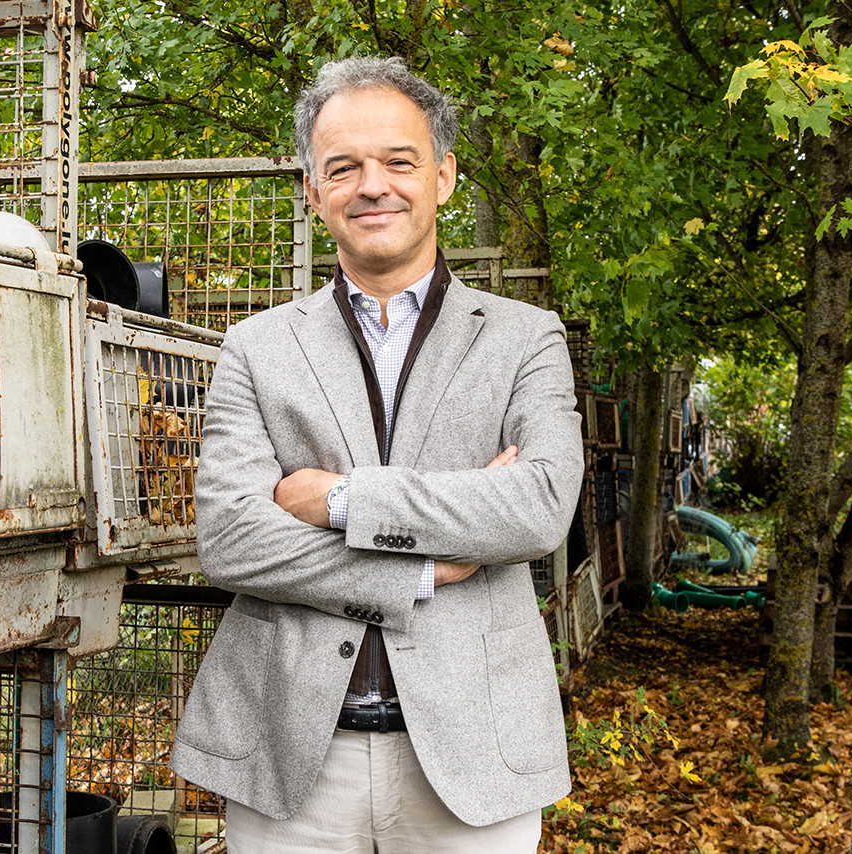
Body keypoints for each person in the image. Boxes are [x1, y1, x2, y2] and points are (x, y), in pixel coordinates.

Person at [170, 55, 584, 853]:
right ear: (311, 189)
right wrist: (427, 567)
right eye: (343, 167)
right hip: (293, 754)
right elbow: (230, 540)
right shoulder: (255, 349)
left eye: (399, 161)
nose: (373, 185)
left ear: (444, 175)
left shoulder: (525, 338)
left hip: (473, 758)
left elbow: (537, 508)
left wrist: (337, 501)